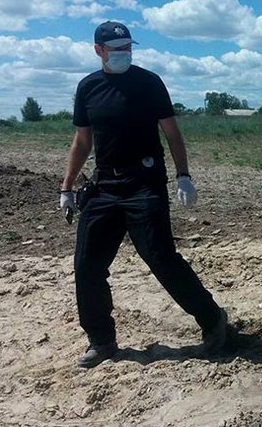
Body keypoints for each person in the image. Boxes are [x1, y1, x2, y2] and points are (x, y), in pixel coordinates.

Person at [59, 21, 228, 368]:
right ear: (99, 51)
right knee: (87, 265)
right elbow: (82, 140)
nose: (124, 54)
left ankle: (213, 320)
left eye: (127, 48)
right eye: (116, 49)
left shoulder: (149, 83)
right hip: (104, 187)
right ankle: (101, 341)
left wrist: (183, 176)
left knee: (161, 258)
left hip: (144, 184)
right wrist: (67, 187)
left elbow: (172, 133)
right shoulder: (88, 87)